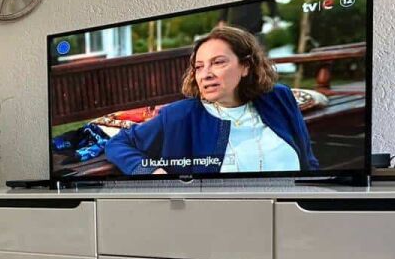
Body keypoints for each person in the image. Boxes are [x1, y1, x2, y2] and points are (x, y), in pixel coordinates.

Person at [104, 23, 318, 176]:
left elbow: (308, 162)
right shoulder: (180, 115)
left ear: (245, 66)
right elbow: (118, 143)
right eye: (199, 67)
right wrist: (151, 171)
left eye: (218, 62)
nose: (205, 74)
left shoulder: (279, 98)